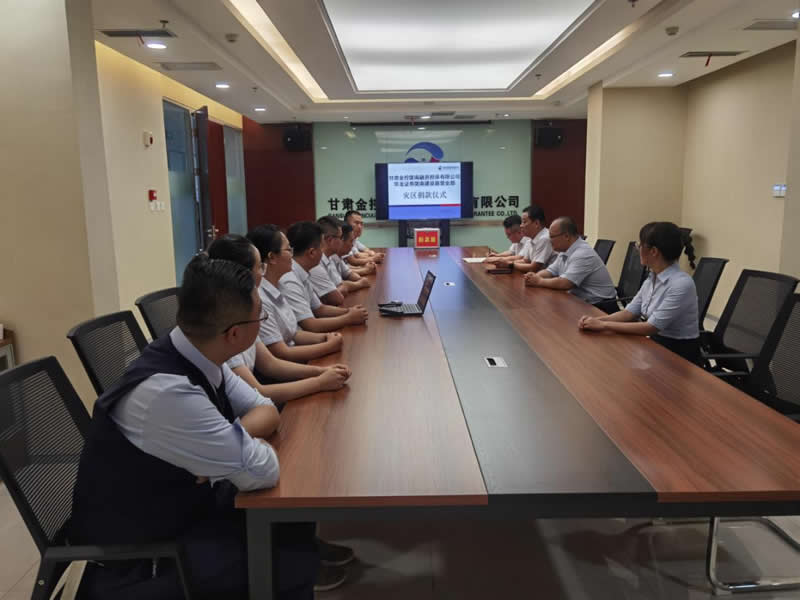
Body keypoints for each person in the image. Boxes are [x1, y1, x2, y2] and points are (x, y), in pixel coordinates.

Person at [69, 255, 318, 600]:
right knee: (290, 559)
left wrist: (221, 449)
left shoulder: (197, 352)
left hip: (183, 513)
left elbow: (265, 409)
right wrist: (229, 451)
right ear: (235, 334)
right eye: (260, 316)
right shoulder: (168, 392)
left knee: (292, 523)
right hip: (139, 560)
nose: (263, 323)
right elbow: (263, 469)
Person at [208, 234, 351, 400]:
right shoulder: (227, 323)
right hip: (260, 398)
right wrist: (319, 381)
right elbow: (258, 391)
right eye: (259, 267)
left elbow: (270, 363)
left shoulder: (245, 306)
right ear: (241, 275)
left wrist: (322, 371)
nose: (263, 272)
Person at [578, 221, 700, 363]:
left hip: (679, 354)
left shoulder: (681, 284)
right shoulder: (652, 277)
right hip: (658, 345)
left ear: (653, 251)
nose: (637, 249)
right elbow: (629, 313)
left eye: (639, 245)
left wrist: (603, 326)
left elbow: (651, 327)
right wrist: (594, 321)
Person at [247, 225, 348, 363]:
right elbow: (281, 353)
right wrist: (328, 346)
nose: (292, 255)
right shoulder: (261, 298)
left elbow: (293, 333)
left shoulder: (278, 285)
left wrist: (326, 337)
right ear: (272, 257)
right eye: (288, 250)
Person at [281, 221, 369, 332]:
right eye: (321, 247)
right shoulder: (290, 280)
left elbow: (319, 309)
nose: (323, 253)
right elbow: (311, 324)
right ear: (312, 253)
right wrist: (348, 318)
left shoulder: (303, 272)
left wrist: (349, 311)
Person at [524, 216, 618, 313]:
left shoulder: (582, 253)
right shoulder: (565, 251)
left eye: (552, 237)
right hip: (580, 302)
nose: (549, 240)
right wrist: (534, 276)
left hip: (600, 307)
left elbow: (565, 283)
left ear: (566, 236)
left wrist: (539, 281)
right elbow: (551, 271)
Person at [309, 216, 368, 306]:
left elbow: (341, 283)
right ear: (330, 240)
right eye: (341, 237)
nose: (342, 241)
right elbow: (337, 298)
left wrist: (342, 287)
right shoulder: (315, 263)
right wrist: (358, 284)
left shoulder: (330, 257)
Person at [512, 204, 554, 273]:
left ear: (536, 223)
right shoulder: (530, 239)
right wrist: (506, 263)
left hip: (549, 278)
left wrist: (510, 265)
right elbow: (526, 261)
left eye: (524, 222)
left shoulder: (544, 238)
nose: (521, 226)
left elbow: (534, 268)